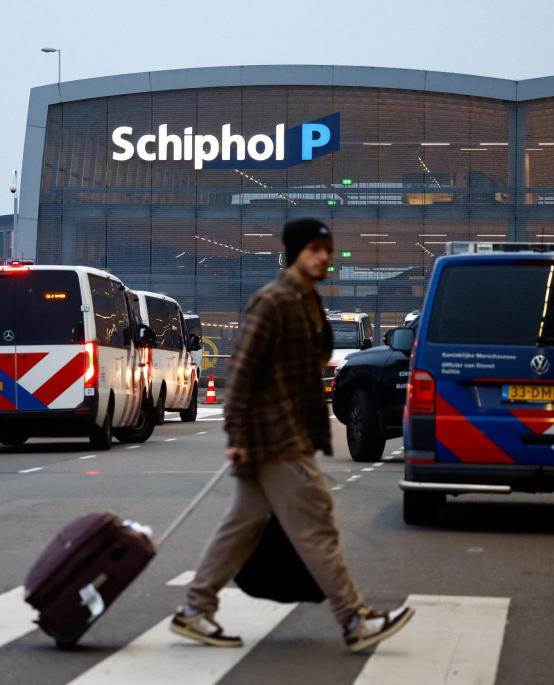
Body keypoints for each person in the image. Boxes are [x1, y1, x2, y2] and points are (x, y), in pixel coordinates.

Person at [169, 218, 414, 653]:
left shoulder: (305, 301)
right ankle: (354, 618)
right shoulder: (274, 302)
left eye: (327, 249)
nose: (325, 256)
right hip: (274, 440)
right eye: (315, 249)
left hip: (285, 435)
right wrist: (240, 436)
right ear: (294, 253)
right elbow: (243, 373)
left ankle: (194, 609)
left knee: (240, 527)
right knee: (316, 525)